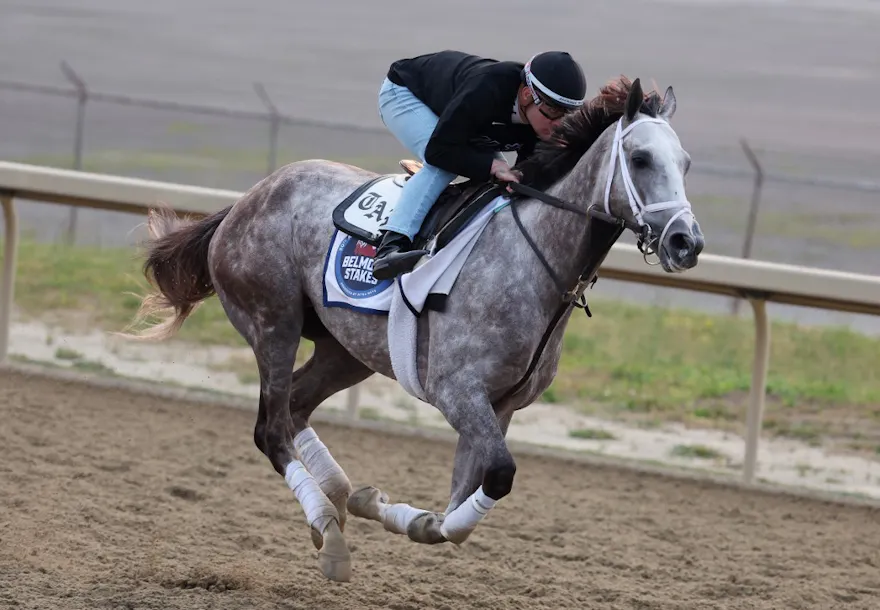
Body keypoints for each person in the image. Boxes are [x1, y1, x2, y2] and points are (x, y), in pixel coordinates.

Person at [371, 49, 588, 280]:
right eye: (554, 111)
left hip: (461, 116)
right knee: (445, 167)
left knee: (506, 180)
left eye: (568, 115)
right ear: (526, 95)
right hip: (405, 94)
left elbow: (524, 180)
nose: (558, 124)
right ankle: (391, 245)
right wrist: (491, 166)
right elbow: (439, 151)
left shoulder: (538, 118)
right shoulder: (487, 87)